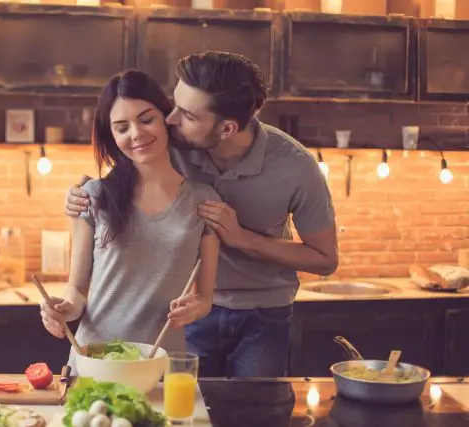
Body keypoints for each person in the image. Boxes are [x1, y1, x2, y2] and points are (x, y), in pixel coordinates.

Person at [64, 52, 339, 378]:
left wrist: (244, 239)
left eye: (187, 114)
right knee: (191, 409)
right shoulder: (174, 140)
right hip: (186, 314)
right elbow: (130, 156)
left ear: (226, 128)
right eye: (174, 104)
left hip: (262, 312)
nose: (170, 119)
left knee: (255, 410)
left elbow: (325, 259)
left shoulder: (296, 166)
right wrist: (85, 193)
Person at [40, 69, 220, 369]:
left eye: (146, 119)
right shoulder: (93, 195)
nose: (136, 134)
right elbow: (77, 289)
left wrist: (196, 308)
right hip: (95, 359)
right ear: (112, 135)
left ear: (167, 118)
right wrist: (62, 308)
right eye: (122, 127)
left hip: (162, 362)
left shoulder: (204, 200)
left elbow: (205, 297)